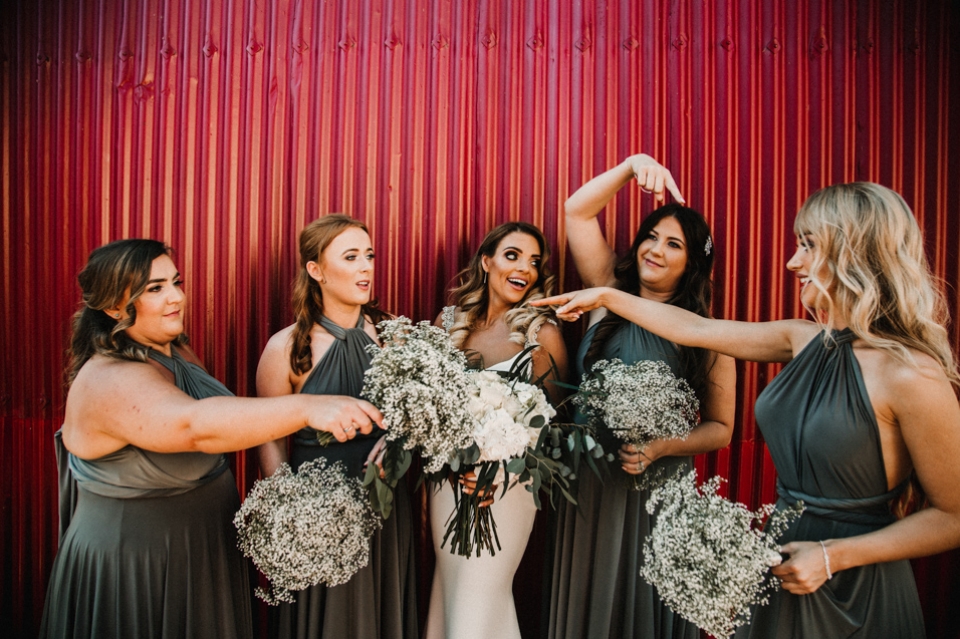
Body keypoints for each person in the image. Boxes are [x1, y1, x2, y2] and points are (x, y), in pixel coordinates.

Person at [537, 181, 960, 638]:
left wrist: (832, 557)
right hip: (780, 562)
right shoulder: (801, 338)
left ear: (854, 252)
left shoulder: (911, 374)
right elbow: (694, 328)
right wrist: (607, 296)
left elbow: (953, 516)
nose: (792, 262)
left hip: (854, 583)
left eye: (808, 246)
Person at [39, 239, 381, 639]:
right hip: (140, 568)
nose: (176, 297)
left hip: (201, 558)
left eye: (175, 282)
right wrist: (308, 408)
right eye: (155, 289)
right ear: (114, 307)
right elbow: (193, 426)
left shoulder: (174, 352)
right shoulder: (107, 378)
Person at [539, 154, 736, 639]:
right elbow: (577, 213)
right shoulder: (606, 289)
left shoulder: (706, 334)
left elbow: (722, 429)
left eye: (673, 244)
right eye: (651, 236)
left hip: (657, 486)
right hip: (589, 478)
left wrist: (661, 447)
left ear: (693, 263)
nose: (655, 249)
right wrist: (631, 167)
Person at [256, 214, 418, 639]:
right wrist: (292, 513)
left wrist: (398, 441)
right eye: (351, 257)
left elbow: (416, 413)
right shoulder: (287, 347)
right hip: (320, 508)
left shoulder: (393, 337)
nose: (366, 267)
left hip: (384, 502)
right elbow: (268, 437)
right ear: (316, 271)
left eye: (369, 255)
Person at [423, 221, 569, 639]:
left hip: (506, 492)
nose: (525, 267)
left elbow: (554, 428)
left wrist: (500, 474)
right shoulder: (449, 321)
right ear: (486, 262)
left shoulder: (542, 334)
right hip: (448, 486)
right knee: (452, 593)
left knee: (480, 596)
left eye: (535, 261)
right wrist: (453, 465)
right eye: (512, 255)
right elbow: (428, 411)